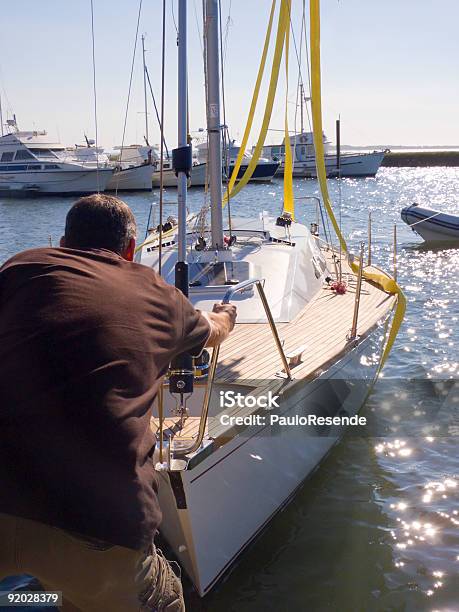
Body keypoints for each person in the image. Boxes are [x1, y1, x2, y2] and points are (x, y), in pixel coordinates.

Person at [0, 194, 236, 611]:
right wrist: (225, 315)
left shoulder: (19, 267)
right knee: (158, 599)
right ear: (130, 250)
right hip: (97, 522)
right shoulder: (154, 291)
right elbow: (212, 331)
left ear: (62, 243)